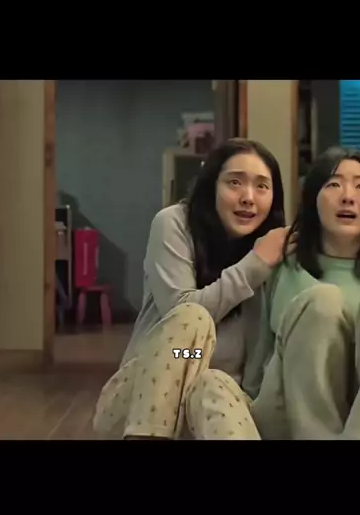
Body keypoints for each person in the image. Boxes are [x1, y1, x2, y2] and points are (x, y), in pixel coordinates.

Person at [93, 138, 291, 439]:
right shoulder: (173, 224)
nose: (248, 197)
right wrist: (254, 265)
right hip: (144, 397)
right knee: (191, 318)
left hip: (215, 410)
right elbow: (179, 314)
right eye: (235, 182)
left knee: (213, 382)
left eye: (262, 186)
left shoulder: (275, 253)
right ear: (211, 185)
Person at [245, 146, 360, 440]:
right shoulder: (281, 261)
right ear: (313, 198)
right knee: (322, 301)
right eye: (334, 184)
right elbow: (257, 361)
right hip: (289, 417)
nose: (348, 196)